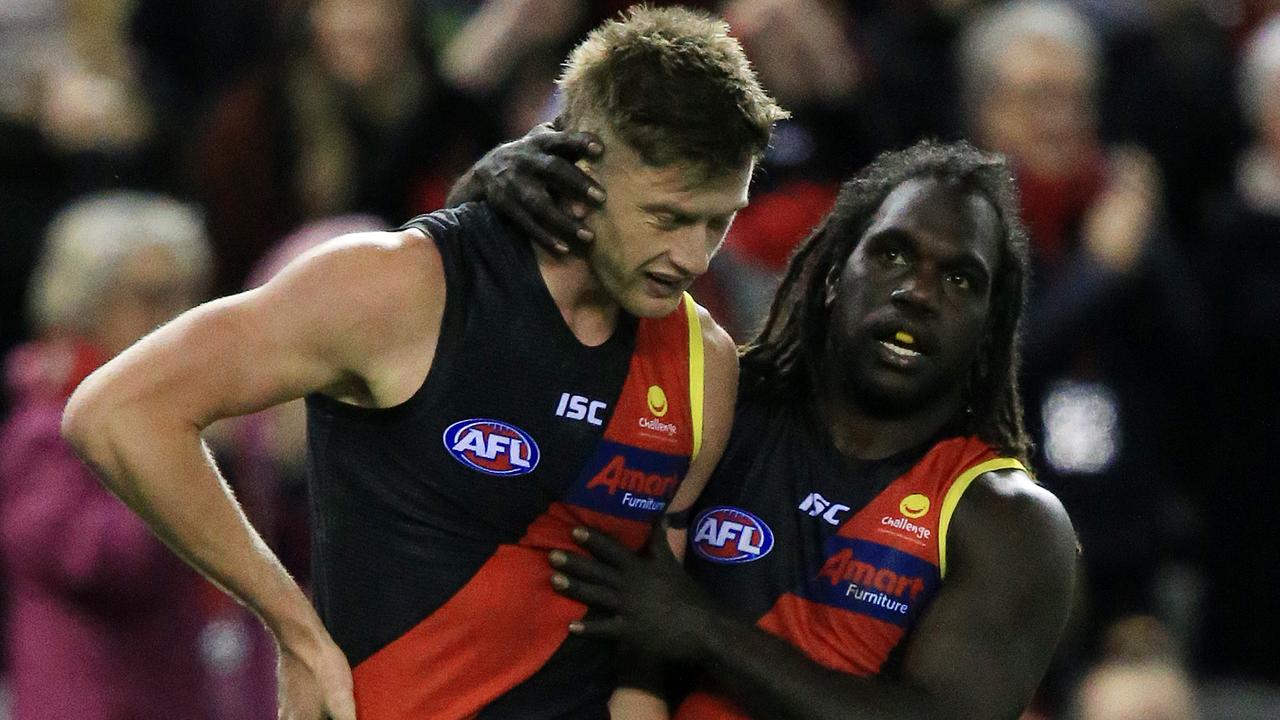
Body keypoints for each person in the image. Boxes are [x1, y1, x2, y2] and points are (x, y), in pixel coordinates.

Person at [61, 6, 785, 720]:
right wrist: (294, 627)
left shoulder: (704, 365)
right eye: (667, 217)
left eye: (718, 221)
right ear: (581, 164)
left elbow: (644, 644)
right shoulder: (402, 288)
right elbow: (117, 413)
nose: (693, 257)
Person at [451, 138, 1078, 719]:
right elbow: (488, 358)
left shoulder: (1009, 523)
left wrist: (704, 631)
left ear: (991, 326)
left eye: (958, 279)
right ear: (834, 274)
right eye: (891, 254)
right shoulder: (708, 406)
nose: (917, 292)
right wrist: (483, 193)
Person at [0, 191, 218, 719]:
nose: (180, 315)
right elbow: (101, 566)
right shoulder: (46, 429)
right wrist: (188, 453)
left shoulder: (178, 412)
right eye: (152, 296)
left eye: (189, 294)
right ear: (84, 304)